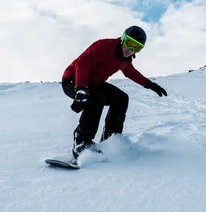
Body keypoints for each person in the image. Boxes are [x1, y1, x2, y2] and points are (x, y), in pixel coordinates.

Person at [61, 25, 167, 159]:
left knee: (121, 98)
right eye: (129, 43)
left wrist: (149, 84)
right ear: (123, 38)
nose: (131, 50)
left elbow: (131, 72)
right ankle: (81, 143)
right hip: (73, 79)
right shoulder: (104, 46)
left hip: (94, 83)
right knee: (95, 98)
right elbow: (82, 63)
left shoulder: (125, 59)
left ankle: (111, 141)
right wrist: (81, 89)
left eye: (137, 47)